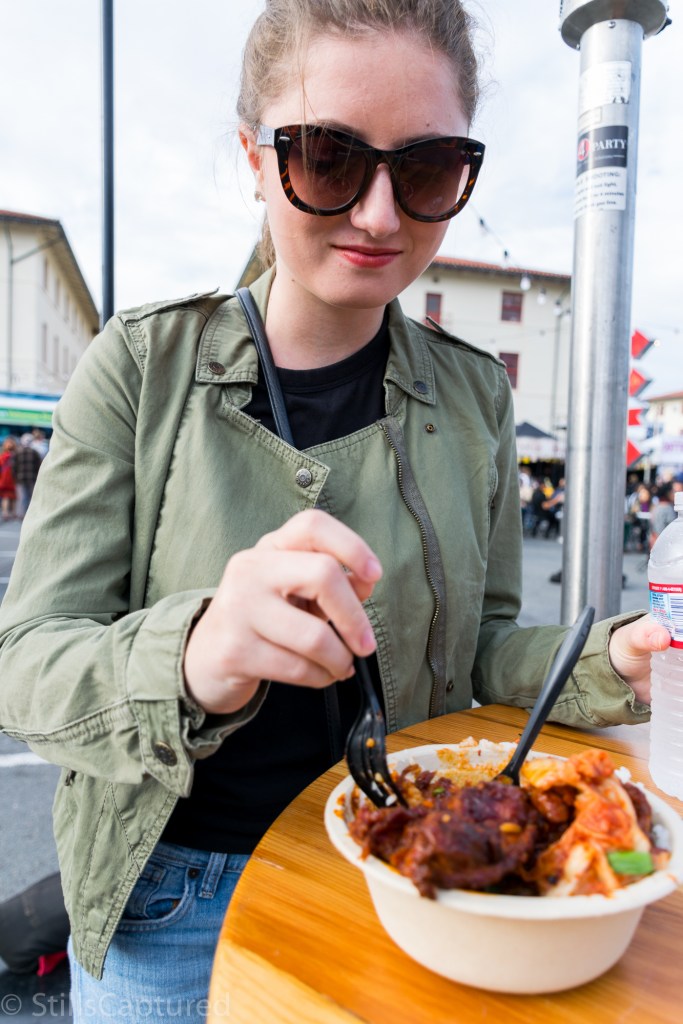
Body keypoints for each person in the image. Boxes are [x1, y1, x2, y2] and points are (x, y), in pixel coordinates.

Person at [0, 0, 670, 1018]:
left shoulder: (472, 393)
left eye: (428, 169)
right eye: (327, 158)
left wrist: (620, 656)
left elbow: (483, 650)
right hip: (169, 900)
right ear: (256, 158)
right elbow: (29, 663)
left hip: (415, 880)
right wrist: (189, 656)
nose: (379, 215)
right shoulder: (141, 366)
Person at [13, 434, 42, 519]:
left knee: (22, 497)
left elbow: (14, 467)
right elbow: (39, 466)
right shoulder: (35, 452)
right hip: (32, 478)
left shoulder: (17, 452)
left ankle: (21, 514)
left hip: (20, 478)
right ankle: (30, 514)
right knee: (31, 497)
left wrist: (15, 477)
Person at [0, 436, 17, 522]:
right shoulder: (16, 456)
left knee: (5, 496)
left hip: (4, 479)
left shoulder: (2, 456)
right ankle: (13, 512)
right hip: (13, 479)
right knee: (13, 496)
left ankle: (5, 512)